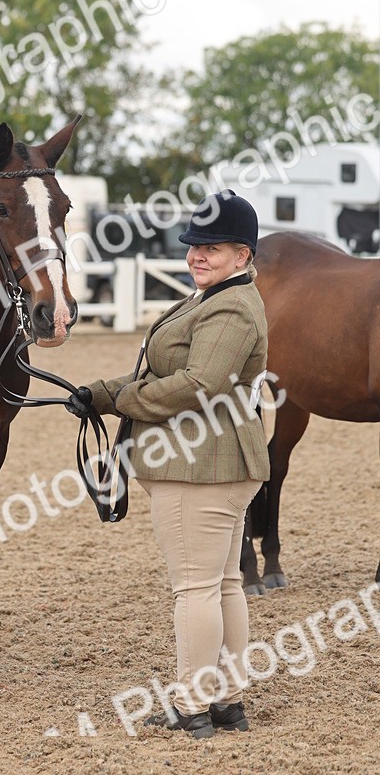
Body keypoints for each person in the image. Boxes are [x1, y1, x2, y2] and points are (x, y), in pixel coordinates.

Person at [67, 190, 270, 740]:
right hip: (214, 461)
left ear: (243, 255)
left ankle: (192, 703)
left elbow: (200, 384)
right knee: (223, 583)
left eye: (213, 247)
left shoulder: (230, 306)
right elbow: (164, 371)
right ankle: (225, 699)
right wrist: (100, 393)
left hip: (201, 464)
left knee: (195, 588)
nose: (196, 256)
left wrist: (121, 402)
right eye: (194, 246)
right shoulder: (211, 297)